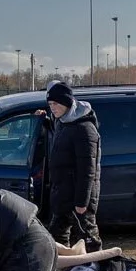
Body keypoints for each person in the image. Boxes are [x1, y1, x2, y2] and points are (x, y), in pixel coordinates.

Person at [42, 80, 101, 250]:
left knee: (89, 240)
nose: (52, 107)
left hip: (78, 199)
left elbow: (87, 170)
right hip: (63, 195)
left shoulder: (84, 129)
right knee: (56, 240)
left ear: (67, 103)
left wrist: (82, 203)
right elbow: (60, 138)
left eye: (56, 103)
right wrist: (45, 120)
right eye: (50, 103)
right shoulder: (63, 122)